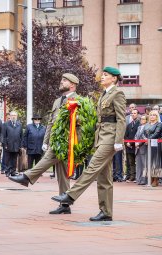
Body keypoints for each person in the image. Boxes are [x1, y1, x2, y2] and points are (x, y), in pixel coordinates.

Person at [51, 67, 126, 221]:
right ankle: (106, 212)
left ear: (114, 78)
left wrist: (118, 141)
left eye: (106, 75)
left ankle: (71, 196)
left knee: (92, 167)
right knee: (104, 178)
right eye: (102, 75)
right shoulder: (103, 95)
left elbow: (121, 119)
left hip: (110, 138)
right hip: (101, 137)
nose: (102, 77)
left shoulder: (117, 93)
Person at [9, 73, 80, 215]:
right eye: (62, 79)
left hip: (68, 141)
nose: (61, 82)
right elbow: (51, 123)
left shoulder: (78, 100)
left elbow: (80, 123)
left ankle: (27, 177)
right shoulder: (57, 101)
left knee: (48, 158)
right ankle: (65, 205)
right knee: (62, 174)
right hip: (56, 140)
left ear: (72, 84)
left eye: (64, 80)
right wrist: (46, 141)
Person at [142, 110, 162, 187]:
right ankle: (149, 179)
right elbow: (143, 133)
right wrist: (145, 139)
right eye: (151, 115)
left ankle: (156, 180)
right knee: (148, 161)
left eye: (154, 115)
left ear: (157, 116)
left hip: (155, 145)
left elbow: (156, 133)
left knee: (155, 161)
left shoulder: (159, 124)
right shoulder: (147, 124)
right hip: (147, 145)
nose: (152, 116)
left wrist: (148, 139)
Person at [2, 111, 23, 176]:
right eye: (12, 115)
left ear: (16, 116)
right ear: (10, 116)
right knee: (8, 159)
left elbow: (21, 135)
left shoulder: (19, 124)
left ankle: (13, 171)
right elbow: (4, 136)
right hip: (8, 144)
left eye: (15, 115)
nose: (13, 117)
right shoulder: (6, 124)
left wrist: (21, 145)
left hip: (16, 145)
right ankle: (7, 171)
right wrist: (5, 144)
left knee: (14, 159)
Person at [124, 109, 140, 182]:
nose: (133, 114)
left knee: (138, 162)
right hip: (129, 147)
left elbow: (138, 135)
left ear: (137, 114)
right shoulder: (129, 125)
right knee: (131, 162)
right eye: (132, 113)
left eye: (135, 113)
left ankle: (138, 176)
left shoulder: (139, 124)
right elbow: (126, 135)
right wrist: (127, 142)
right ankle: (132, 176)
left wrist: (131, 143)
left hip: (136, 146)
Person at [134, 114, 147, 185]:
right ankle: (138, 179)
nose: (142, 120)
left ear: (146, 120)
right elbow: (136, 136)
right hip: (137, 148)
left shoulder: (147, 127)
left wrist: (139, 143)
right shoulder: (139, 127)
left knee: (144, 165)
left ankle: (144, 180)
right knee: (138, 165)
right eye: (141, 119)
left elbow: (144, 137)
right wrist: (136, 142)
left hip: (143, 148)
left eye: (143, 119)